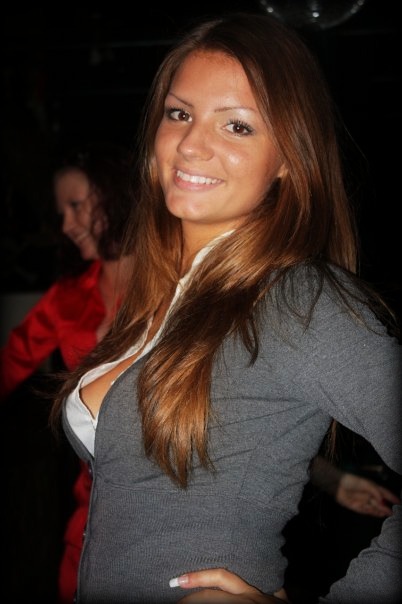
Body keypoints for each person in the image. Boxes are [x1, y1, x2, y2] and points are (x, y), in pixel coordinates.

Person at [50, 11, 401, 604]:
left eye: (237, 126)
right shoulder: (164, 294)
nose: (191, 144)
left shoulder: (298, 299)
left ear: (289, 157)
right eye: (179, 113)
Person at [0, 140, 133, 603]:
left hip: (174, 500)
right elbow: (11, 361)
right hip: (93, 502)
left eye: (76, 206)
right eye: (62, 213)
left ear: (114, 193)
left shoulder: (177, 281)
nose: (66, 225)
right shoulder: (68, 297)